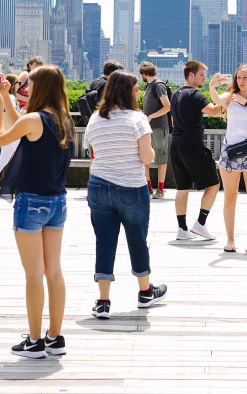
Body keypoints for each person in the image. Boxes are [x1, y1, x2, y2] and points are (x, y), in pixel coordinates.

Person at [0, 64, 74, 359]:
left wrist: (0, 106)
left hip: (31, 202)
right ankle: (55, 337)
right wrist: (8, 103)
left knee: (33, 274)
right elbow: (23, 127)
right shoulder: (64, 119)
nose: (25, 88)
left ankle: (35, 341)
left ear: (40, 88)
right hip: (57, 202)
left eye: (29, 84)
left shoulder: (34, 119)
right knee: (54, 271)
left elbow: (2, 138)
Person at [83, 70, 168, 319]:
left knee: (104, 242)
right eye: (135, 88)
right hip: (131, 186)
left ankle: (103, 301)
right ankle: (144, 293)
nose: (139, 92)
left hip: (98, 185)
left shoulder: (96, 118)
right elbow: (146, 157)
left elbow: (94, 152)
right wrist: (150, 152)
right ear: (127, 91)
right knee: (137, 240)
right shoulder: (137, 119)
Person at [209, 65, 247, 253]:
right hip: (231, 150)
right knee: (230, 196)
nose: (241, 81)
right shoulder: (231, 97)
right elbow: (217, 101)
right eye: (238, 77)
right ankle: (230, 240)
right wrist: (212, 86)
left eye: (245, 77)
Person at [168, 60, 224, 240]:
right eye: (201, 75)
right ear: (191, 75)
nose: (204, 78)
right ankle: (200, 223)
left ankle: (182, 229)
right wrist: (224, 95)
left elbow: (173, 121)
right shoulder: (195, 94)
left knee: (182, 188)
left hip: (176, 144)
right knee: (213, 184)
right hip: (192, 144)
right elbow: (214, 112)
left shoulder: (175, 94)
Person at [0, 58, 42, 195]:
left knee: (3, 160)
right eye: (17, 84)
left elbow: (4, 113)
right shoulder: (9, 98)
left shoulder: (6, 98)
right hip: (13, 132)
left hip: (6, 132)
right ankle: (18, 187)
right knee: (22, 158)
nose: (20, 87)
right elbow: (11, 114)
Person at [139, 61, 172, 199]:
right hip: (148, 128)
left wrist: (151, 116)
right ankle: (148, 188)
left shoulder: (158, 85)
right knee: (144, 158)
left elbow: (167, 106)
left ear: (144, 74)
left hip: (159, 127)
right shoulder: (148, 86)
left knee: (161, 158)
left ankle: (160, 189)